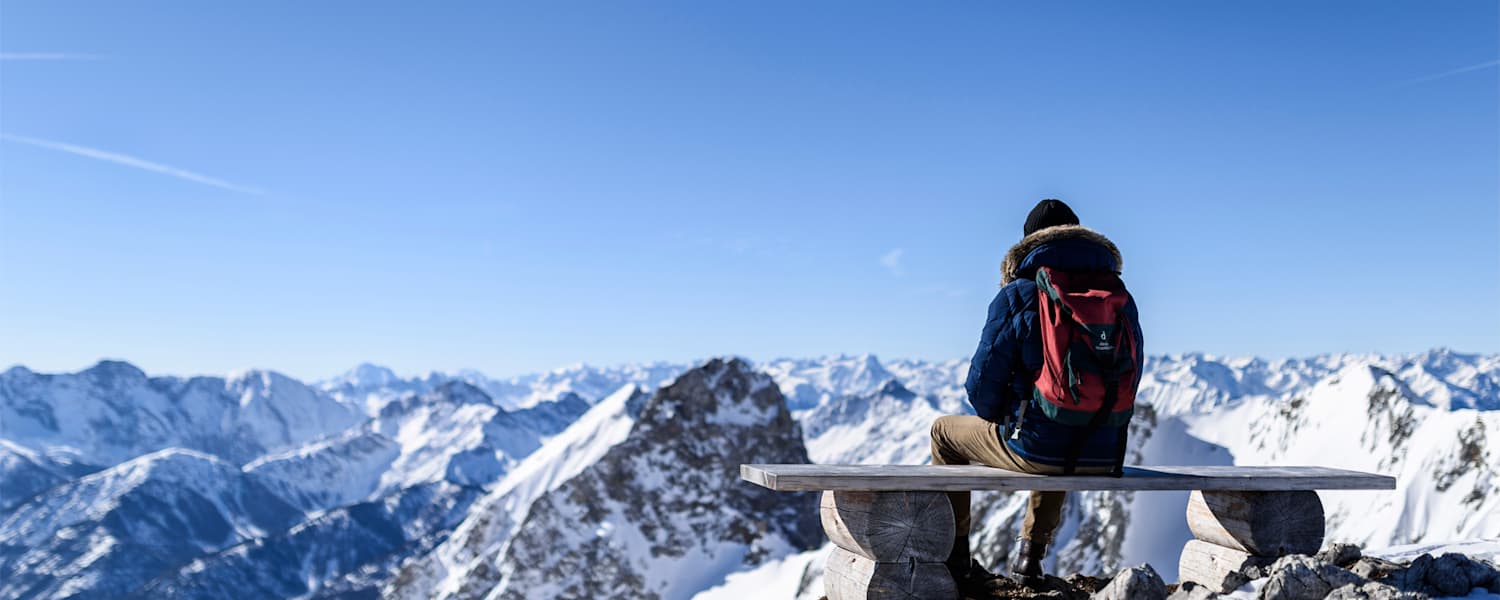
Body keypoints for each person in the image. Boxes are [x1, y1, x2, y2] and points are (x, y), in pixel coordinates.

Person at [931, 198, 1143, 591]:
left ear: (1029, 243)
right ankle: (1030, 558)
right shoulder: (1117, 298)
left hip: (1042, 451)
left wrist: (1010, 414)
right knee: (1064, 425)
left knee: (943, 433)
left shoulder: (1020, 294)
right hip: (1106, 452)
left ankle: (955, 557)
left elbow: (982, 392)